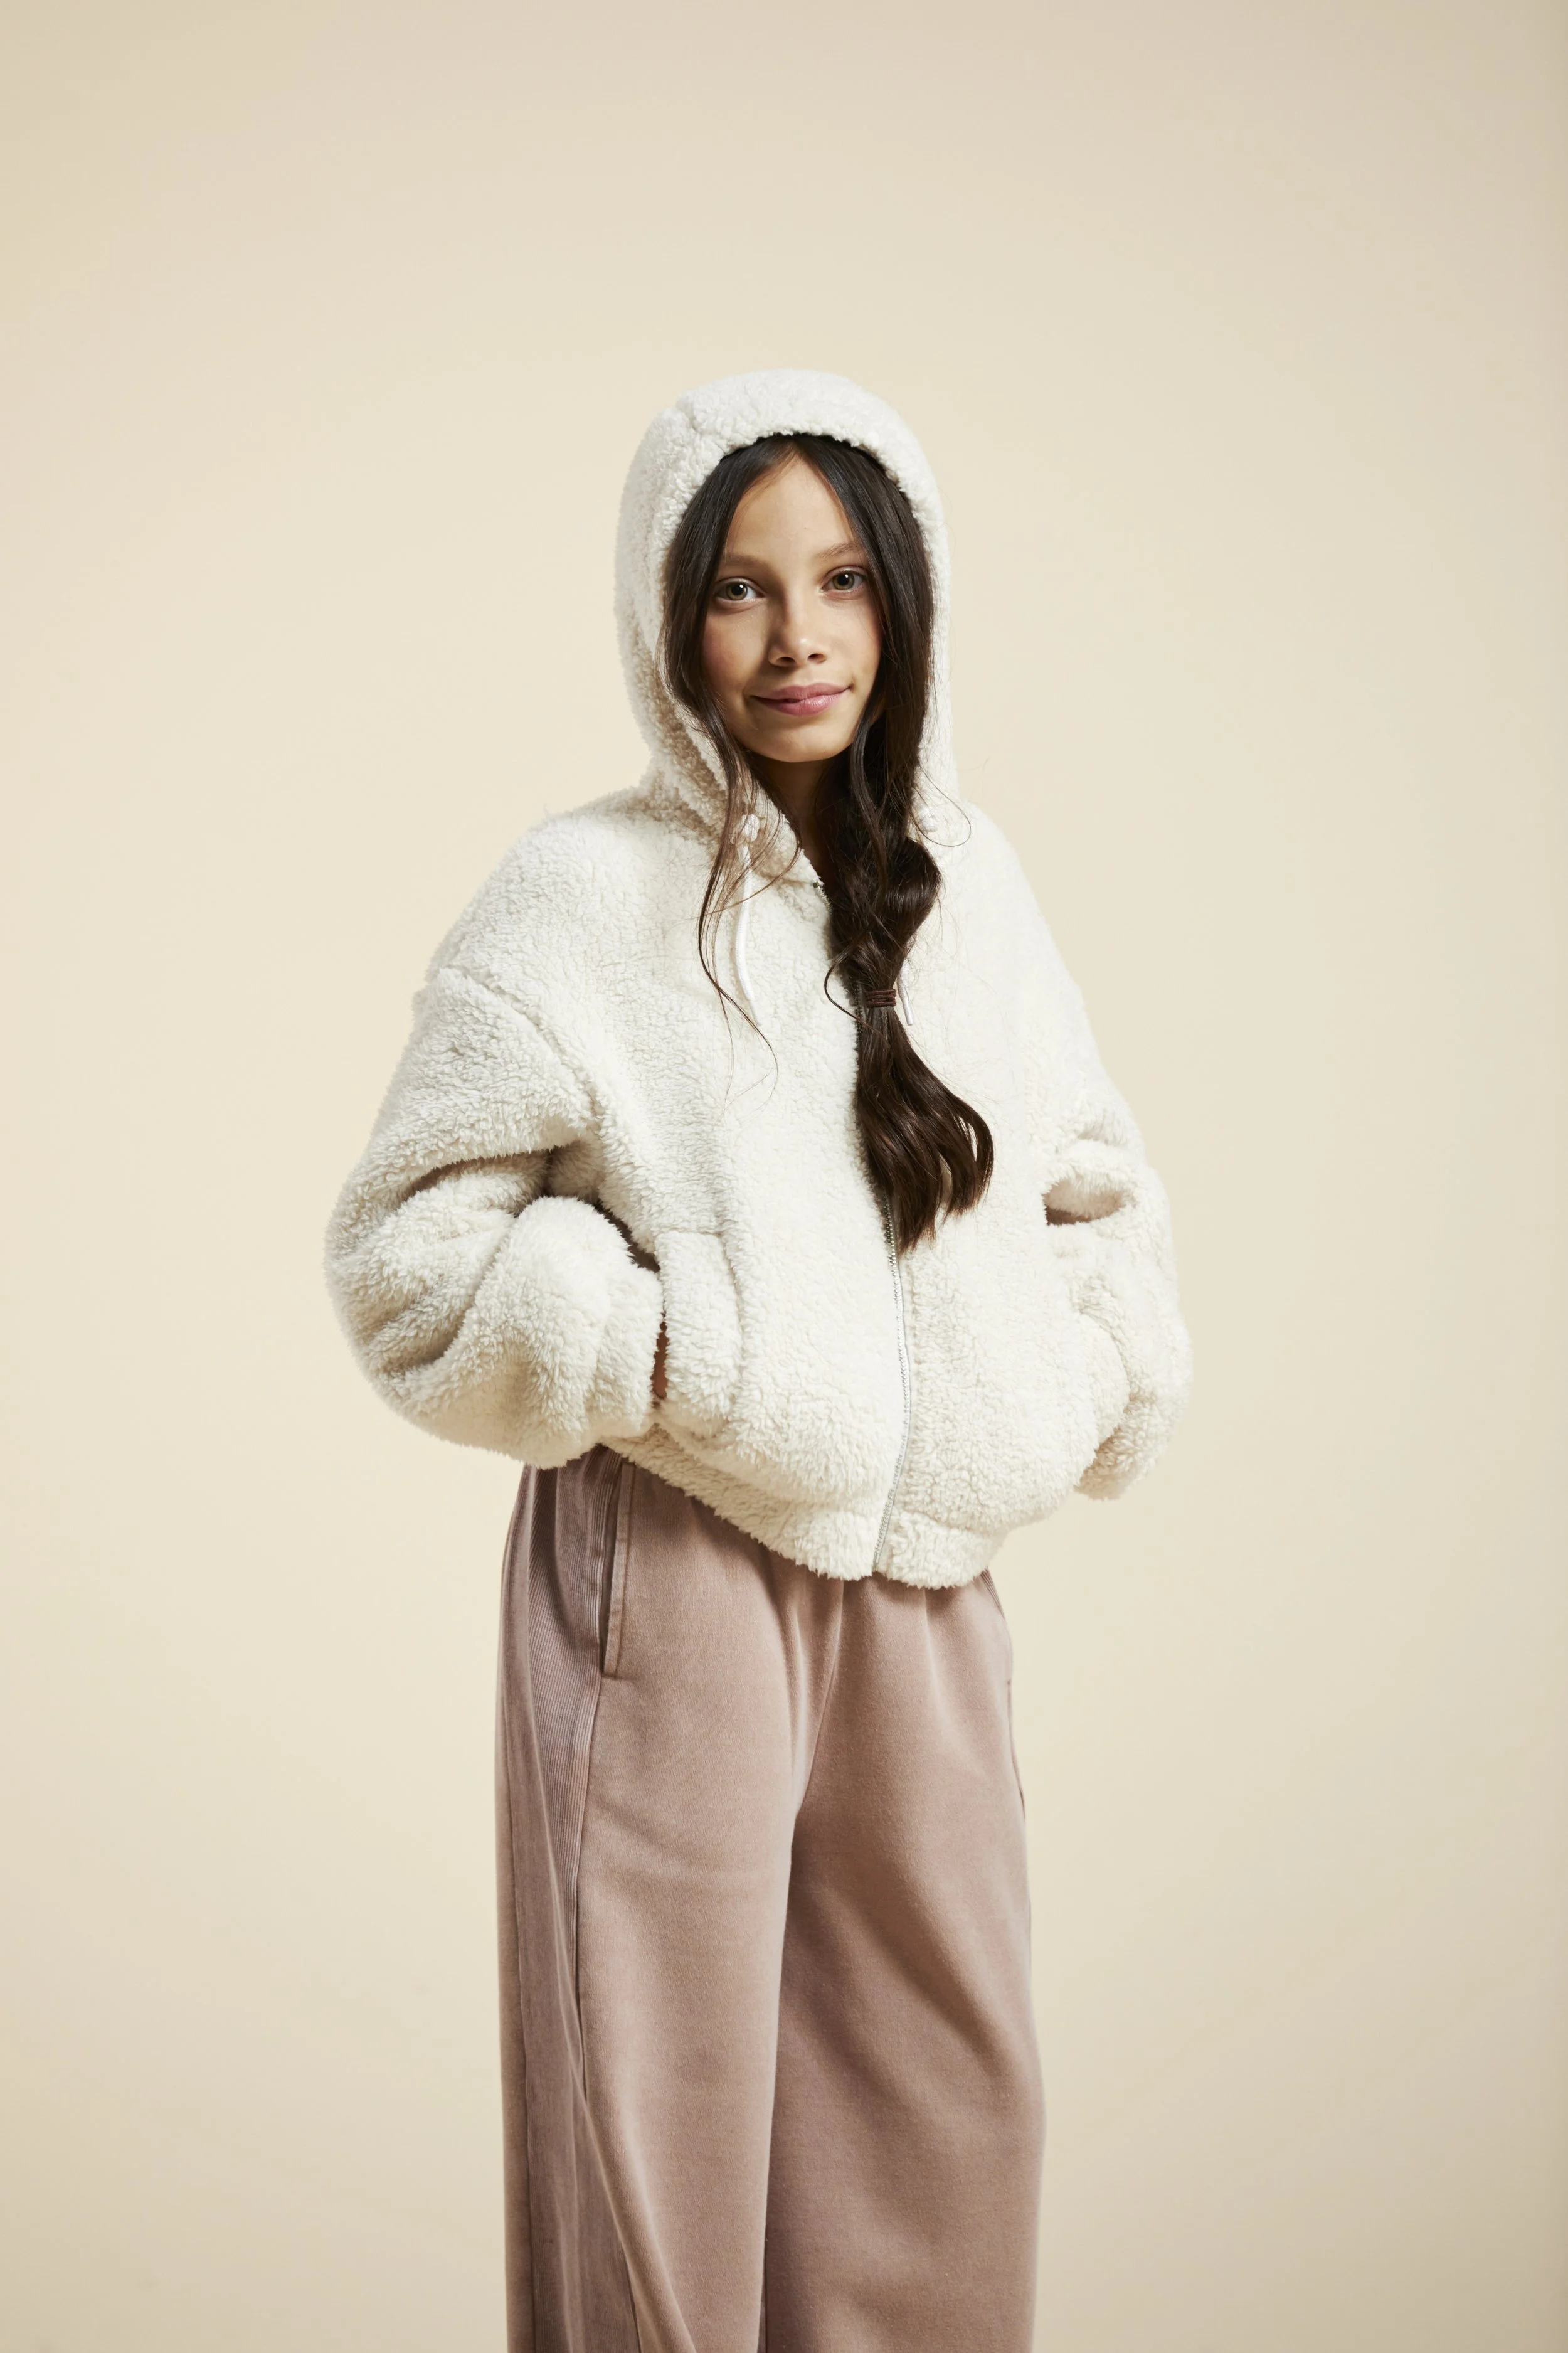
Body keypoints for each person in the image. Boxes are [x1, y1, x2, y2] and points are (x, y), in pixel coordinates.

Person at [326, 369, 1191, 2353]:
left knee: (945, 2122)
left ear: (905, 606)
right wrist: (675, 1351)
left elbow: (1097, 1191)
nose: (796, 639)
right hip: (683, 1558)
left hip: (927, 1587)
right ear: (668, 615)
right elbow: (406, 1255)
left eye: (840, 583)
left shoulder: (974, 890)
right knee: (659, 2134)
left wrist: (1053, 1385)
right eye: (736, 587)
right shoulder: (580, 896)